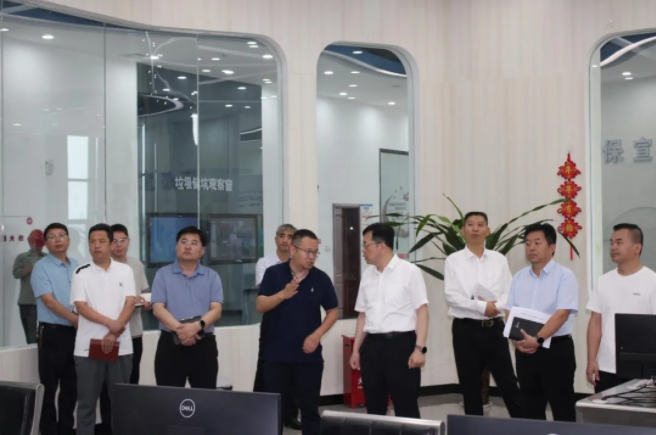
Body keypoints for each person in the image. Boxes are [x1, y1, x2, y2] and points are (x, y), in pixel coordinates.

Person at [256, 229, 339, 435]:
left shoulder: (321, 278)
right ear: (293, 250)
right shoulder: (274, 273)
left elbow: (333, 311)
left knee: (310, 412)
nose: (312, 257)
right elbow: (260, 305)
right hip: (276, 357)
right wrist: (282, 294)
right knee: (273, 413)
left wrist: (317, 335)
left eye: (315, 252)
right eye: (307, 251)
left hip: (308, 357)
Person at [444, 211, 522, 417]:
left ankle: (524, 426)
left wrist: (494, 307)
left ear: (488, 230)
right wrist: (481, 307)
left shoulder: (499, 259)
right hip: (465, 330)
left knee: (508, 383)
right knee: (470, 386)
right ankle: (473, 429)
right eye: (470, 224)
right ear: (463, 230)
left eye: (480, 224)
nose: (475, 229)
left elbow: (509, 292)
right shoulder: (453, 261)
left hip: (494, 328)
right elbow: (452, 296)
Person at [349, 222, 429, 419]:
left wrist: (418, 349)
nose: (363, 250)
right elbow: (363, 315)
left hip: (400, 346)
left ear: (381, 245)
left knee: (406, 407)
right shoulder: (368, 275)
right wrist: (356, 350)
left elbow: (422, 312)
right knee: (374, 408)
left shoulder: (409, 271)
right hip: (372, 348)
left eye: (366, 244)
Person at [506, 222, 578, 422]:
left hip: (556, 350)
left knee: (562, 408)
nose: (531, 248)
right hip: (525, 352)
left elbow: (562, 314)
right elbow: (510, 311)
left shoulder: (565, 276)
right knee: (530, 409)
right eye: (528, 243)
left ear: (552, 247)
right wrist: (516, 340)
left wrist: (537, 339)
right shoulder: (519, 278)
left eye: (537, 243)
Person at [71, 223, 136, 435]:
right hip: (88, 348)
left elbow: (130, 303)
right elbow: (81, 307)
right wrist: (111, 324)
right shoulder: (80, 272)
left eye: (101, 241)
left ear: (111, 244)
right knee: (86, 404)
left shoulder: (125, 271)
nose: (96, 246)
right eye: (92, 242)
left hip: (121, 346)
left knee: (121, 404)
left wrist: (113, 333)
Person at [587, 223, 656, 393]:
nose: (613, 247)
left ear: (637, 248)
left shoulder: (652, 281)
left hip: (643, 369)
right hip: (606, 367)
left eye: (619, 242)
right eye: (612, 243)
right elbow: (595, 322)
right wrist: (591, 359)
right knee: (604, 410)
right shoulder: (603, 281)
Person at [152, 226, 223, 389]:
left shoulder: (212, 276)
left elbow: (216, 310)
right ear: (176, 247)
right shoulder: (162, 274)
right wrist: (182, 331)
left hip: (203, 345)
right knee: (169, 398)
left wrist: (196, 327)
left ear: (202, 250)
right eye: (183, 242)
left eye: (194, 243)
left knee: (204, 398)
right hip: (170, 344)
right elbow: (158, 309)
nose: (188, 246)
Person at [99, 224, 151, 427]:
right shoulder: (101, 267)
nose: (119, 245)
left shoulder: (136, 265)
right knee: (107, 385)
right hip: (107, 334)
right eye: (114, 241)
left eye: (123, 240)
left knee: (131, 381)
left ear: (129, 242)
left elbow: (144, 292)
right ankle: (108, 427)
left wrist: (145, 301)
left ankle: (128, 427)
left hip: (134, 332)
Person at [31, 223, 79, 435]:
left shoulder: (76, 265)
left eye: (62, 235)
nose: (58, 240)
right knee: (49, 387)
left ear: (68, 240)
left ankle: (66, 429)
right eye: (52, 236)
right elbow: (49, 301)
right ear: (45, 242)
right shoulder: (41, 267)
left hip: (75, 332)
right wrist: (75, 320)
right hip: (52, 333)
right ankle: (48, 431)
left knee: (71, 386)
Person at [253, 223, 301, 431]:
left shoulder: (300, 264)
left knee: (294, 370)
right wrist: (284, 293)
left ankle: (290, 415)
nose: (285, 240)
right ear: (275, 239)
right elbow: (265, 293)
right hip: (272, 322)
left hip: (295, 323)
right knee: (267, 368)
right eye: (282, 235)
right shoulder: (265, 264)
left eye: (290, 236)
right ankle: (263, 414)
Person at [13, 229, 46, 344]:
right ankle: (32, 354)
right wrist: (28, 268)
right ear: (29, 242)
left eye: (40, 245)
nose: (38, 248)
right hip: (27, 301)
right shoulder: (22, 257)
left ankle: (43, 354)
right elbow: (15, 274)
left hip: (45, 301)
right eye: (36, 244)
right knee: (31, 336)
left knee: (45, 334)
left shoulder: (47, 258)